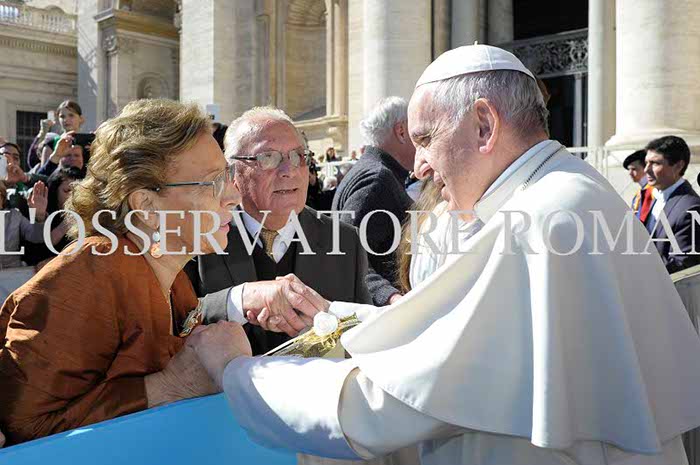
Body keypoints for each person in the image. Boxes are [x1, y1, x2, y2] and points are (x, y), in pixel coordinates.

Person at [191, 44, 700, 465]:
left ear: (484, 125)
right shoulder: (571, 191)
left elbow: (383, 409)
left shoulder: (537, 222)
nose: (418, 168)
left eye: (426, 139)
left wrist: (239, 373)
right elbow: (454, 340)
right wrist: (332, 316)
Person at [0, 99, 246, 445]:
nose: (234, 195)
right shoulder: (88, 273)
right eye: (213, 183)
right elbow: (23, 427)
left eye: (228, 176)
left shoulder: (173, 279)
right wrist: (172, 385)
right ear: (146, 206)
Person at [188, 106, 372, 356]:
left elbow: (364, 340)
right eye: (268, 158)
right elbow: (174, 321)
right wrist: (239, 300)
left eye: (298, 156)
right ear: (232, 172)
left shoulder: (344, 241)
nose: (290, 170)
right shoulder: (197, 235)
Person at [332, 97, 415, 306]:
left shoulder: (377, 173)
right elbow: (346, 256)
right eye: (417, 131)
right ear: (401, 132)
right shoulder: (377, 180)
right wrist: (390, 297)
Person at [643, 135, 700, 273]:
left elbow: (684, 265)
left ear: (678, 166)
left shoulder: (691, 207)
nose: (646, 170)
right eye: (646, 163)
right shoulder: (656, 197)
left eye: (655, 163)